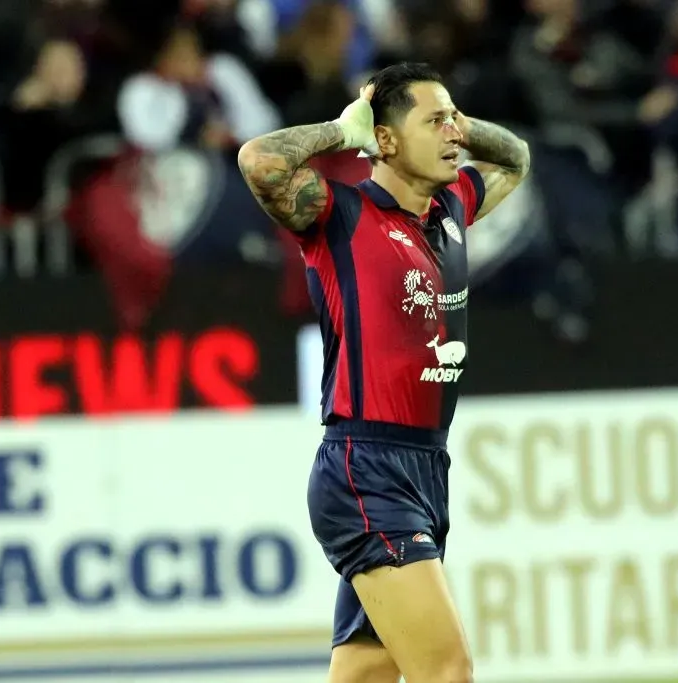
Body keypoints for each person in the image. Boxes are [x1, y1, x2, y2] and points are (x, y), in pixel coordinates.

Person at [237, 62, 530, 683]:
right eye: (435, 121)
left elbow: (516, 158)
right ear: (386, 140)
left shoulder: (452, 206)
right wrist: (346, 131)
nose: (453, 133)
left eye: (454, 120)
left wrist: (450, 121)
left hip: (427, 468)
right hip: (366, 466)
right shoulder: (338, 215)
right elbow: (259, 160)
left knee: (366, 677)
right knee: (447, 670)